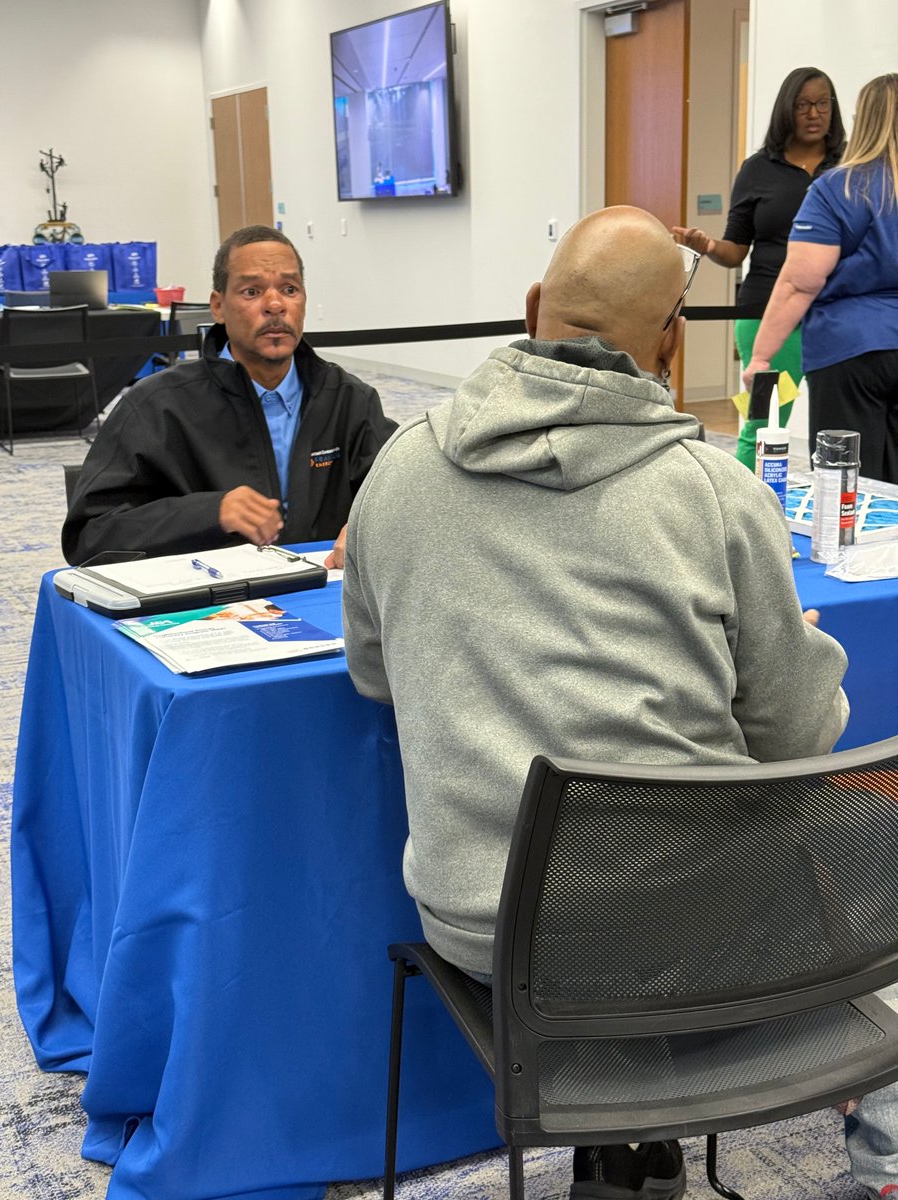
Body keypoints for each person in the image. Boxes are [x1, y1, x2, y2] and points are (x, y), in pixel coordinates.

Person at [341, 206, 849, 1200]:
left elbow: (373, 674)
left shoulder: (395, 474)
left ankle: (620, 1152)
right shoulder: (713, 492)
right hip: (699, 933)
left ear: (533, 310)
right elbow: (798, 732)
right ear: (670, 345)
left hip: (488, 934)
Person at [61, 225, 396, 566]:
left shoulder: (348, 400)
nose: (275, 305)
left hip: (322, 599)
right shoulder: (157, 406)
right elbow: (90, 536)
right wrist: (210, 512)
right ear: (218, 307)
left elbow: (410, 498)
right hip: (204, 607)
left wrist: (361, 530)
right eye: (252, 291)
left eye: (290, 289)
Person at [674, 66, 845, 470]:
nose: (814, 113)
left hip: (835, 316)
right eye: (803, 105)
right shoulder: (758, 169)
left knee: (842, 429)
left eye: (822, 103)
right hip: (767, 314)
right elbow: (736, 250)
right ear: (787, 110)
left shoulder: (850, 165)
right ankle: (743, 518)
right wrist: (709, 245)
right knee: (764, 423)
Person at [744, 73, 898, 486]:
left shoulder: (839, 188)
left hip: (850, 352)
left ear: (863, 119)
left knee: (847, 486)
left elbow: (800, 282)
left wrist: (761, 357)